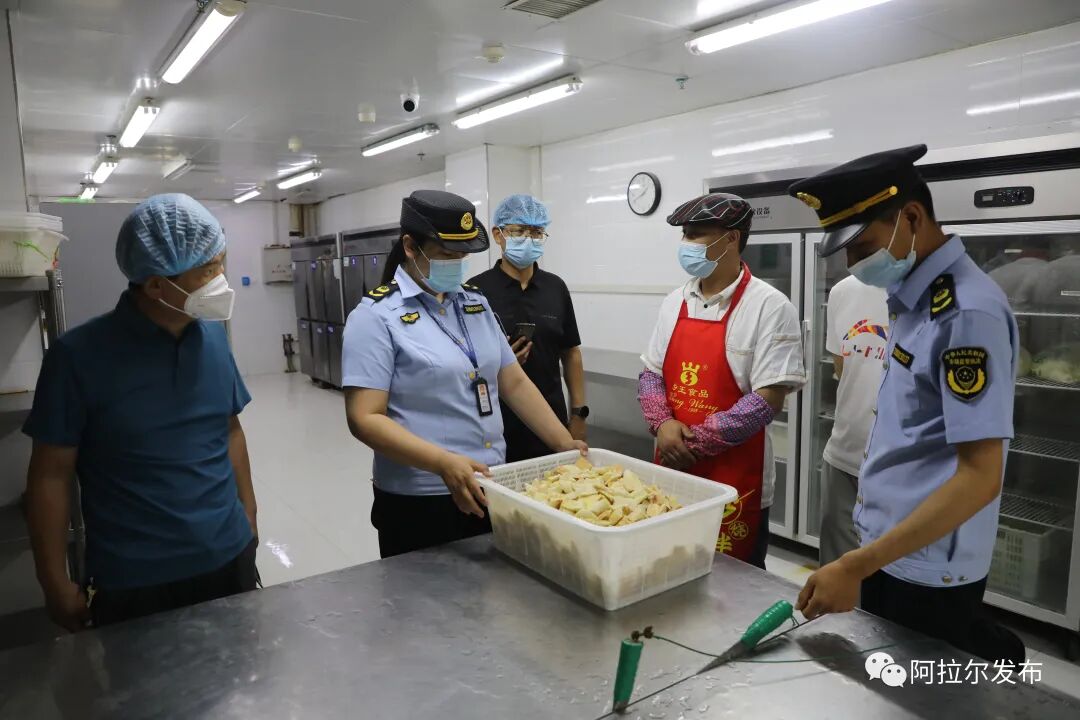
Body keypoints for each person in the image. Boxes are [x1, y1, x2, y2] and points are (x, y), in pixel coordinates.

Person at [790, 145, 1026, 665]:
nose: (853, 265)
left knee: (916, 692)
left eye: (862, 246)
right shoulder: (916, 297)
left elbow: (981, 476)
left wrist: (855, 565)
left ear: (912, 218)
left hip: (925, 566)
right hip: (891, 549)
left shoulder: (965, 313)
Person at [23, 194, 259, 630]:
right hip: (136, 580)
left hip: (229, 557)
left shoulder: (213, 339)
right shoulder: (77, 357)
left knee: (242, 671)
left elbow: (229, 430)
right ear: (155, 286)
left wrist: (249, 517)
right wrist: (53, 581)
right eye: (208, 270)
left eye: (220, 263)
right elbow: (50, 475)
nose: (221, 279)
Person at [343, 190, 587, 559]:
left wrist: (562, 443)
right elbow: (364, 418)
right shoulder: (375, 317)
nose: (456, 264)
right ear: (410, 247)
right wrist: (442, 462)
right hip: (421, 497)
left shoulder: (476, 304)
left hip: (490, 482)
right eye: (446, 254)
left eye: (463, 255)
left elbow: (513, 381)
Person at [638, 193, 806, 569]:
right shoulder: (674, 301)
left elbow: (768, 399)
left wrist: (695, 442)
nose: (686, 243)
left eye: (696, 234)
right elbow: (651, 374)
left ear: (731, 238)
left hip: (736, 478)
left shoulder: (770, 306)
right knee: (666, 567)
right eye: (685, 234)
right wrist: (662, 424)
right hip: (672, 469)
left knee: (733, 582)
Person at [468, 194, 588, 462]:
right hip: (495, 425)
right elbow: (463, 362)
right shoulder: (475, 292)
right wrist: (500, 363)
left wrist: (578, 414)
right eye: (519, 231)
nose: (528, 239)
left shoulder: (555, 287)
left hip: (552, 423)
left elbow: (571, 352)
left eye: (536, 232)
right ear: (498, 235)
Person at [819, 275, 889, 566]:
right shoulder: (843, 291)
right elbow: (842, 369)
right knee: (837, 574)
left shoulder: (935, 291)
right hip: (843, 457)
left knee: (886, 576)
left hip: (901, 470)